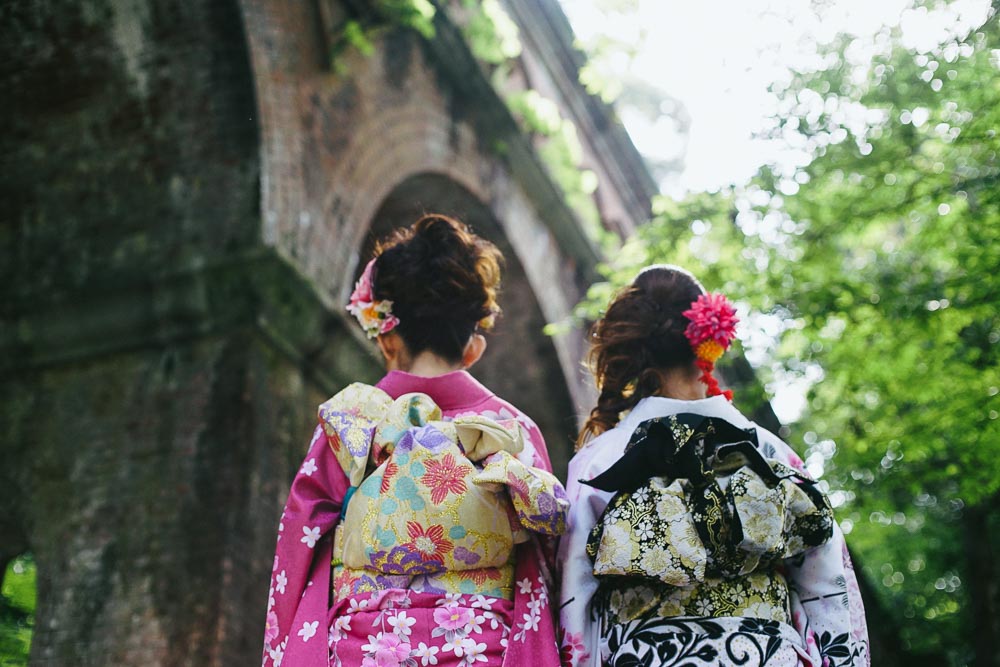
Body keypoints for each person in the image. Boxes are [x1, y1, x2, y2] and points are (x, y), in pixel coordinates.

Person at [262, 214, 568, 667]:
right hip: (483, 647)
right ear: (473, 347)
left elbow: (300, 539)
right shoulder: (512, 428)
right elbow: (547, 556)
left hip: (362, 647)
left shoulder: (350, 421)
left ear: (386, 336)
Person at [558, 265, 869, 667]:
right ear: (709, 341)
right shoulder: (770, 452)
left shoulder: (599, 461)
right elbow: (828, 584)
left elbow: (573, 598)